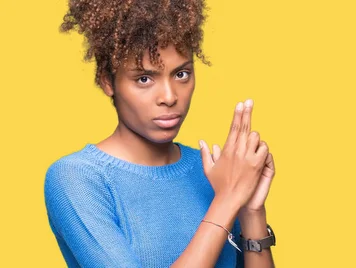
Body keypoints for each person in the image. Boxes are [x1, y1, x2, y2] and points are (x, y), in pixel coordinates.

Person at [43, 0, 277, 267]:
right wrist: (227, 200)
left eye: (182, 74)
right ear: (107, 82)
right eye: (144, 79)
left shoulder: (216, 173)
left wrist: (251, 211)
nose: (169, 97)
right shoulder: (77, 178)